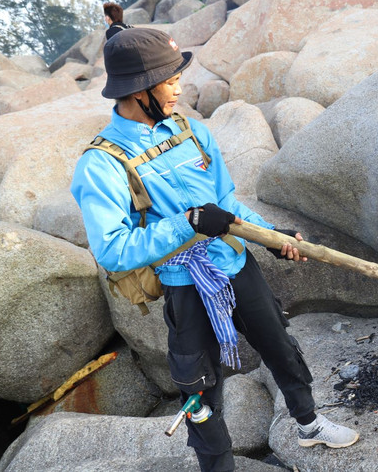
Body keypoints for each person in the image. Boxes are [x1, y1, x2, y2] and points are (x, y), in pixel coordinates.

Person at [70, 28, 359, 472]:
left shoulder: (191, 132)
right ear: (139, 89)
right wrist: (186, 225)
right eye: (168, 80)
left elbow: (226, 203)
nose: (178, 87)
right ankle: (217, 466)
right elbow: (112, 249)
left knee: (280, 345)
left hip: (235, 263)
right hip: (185, 285)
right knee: (197, 387)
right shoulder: (102, 163)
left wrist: (273, 236)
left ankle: (309, 423)